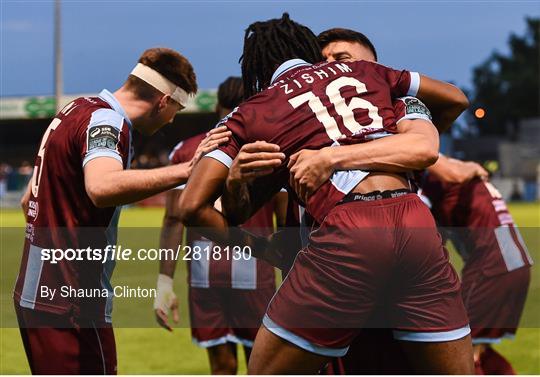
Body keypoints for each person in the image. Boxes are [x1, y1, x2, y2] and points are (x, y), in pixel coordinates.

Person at [177, 14, 473, 374]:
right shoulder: (375, 81)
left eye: (344, 58)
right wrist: (237, 181)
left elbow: (192, 207)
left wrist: (261, 245)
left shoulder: (254, 112)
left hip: (346, 238)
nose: (335, 65)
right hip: (415, 228)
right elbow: (455, 98)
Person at [13, 47, 229, 375]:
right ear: (163, 101)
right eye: (178, 109)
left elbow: (27, 197)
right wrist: (189, 170)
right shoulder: (108, 120)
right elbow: (101, 188)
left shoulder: (73, 109)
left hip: (34, 292)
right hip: (72, 299)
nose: (173, 119)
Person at [153, 77, 287, 374]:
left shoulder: (186, 150)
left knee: (221, 367)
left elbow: (174, 218)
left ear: (216, 108)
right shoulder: (267, 150)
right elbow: (285, 223)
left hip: (205, 276)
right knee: (264, 365)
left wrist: (164, 282)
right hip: (256, 273)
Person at [419, 156, 533, 375]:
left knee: (458, 350)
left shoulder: (434, 174)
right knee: (479, 347)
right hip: (515, 261)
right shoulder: (456, 171)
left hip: (491, 267)